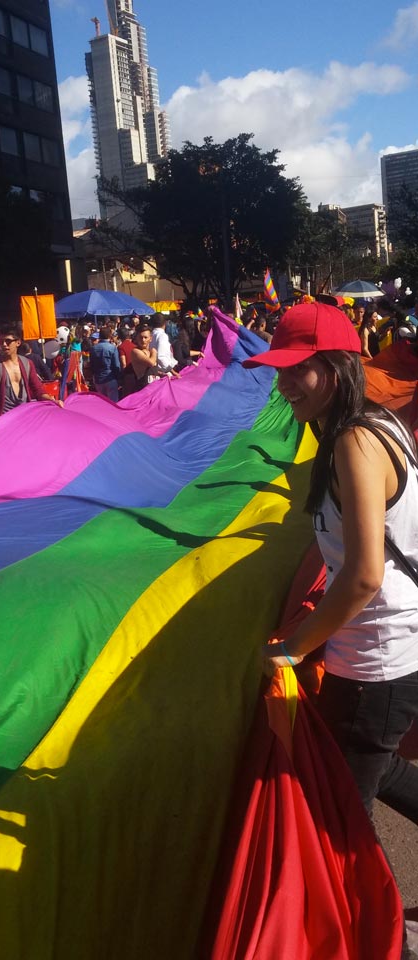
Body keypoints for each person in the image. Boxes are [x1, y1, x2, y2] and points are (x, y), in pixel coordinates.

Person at [243, 302, 418, 838]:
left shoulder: (354, 441)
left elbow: (363, 573)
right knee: (375, 762)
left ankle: (379, 923)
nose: (285, 384)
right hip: (386, 649)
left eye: (300, 368)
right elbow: (340, 547)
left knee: (340, 821)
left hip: (374, 661)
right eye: (280, 370)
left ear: (340, 365)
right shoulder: (374, 422)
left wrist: (293, 647)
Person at [0, 326, 60, 419]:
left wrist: (52, 400)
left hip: (25, 418)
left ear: (18, 342)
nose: (4, 344)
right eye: (1, 341)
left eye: (8, 341)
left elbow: (38, 390)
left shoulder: (27, 363)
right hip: (5, 420)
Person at [89, 325, 121, 402]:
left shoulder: (93, 348)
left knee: (102, 404)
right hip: (110, 378)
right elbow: (116, 365)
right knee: (113, 404)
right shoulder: (112, 348)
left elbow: (92, 364)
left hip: (98, 379)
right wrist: (118, 378)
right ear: (110, 336)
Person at [150, 313, 180, 378]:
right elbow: (161, 356)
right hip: (165, 372)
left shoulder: (151, 334)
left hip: (156, 370)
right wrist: (173, 372)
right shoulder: (162, 336)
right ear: (165, 323)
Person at [130, 325, 158, 391]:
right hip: (143, 389)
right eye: (140, 337)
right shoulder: (136, 351)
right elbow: (151, 363)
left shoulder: (149, 352)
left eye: (145, 337)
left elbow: (152, 370)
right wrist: (154, 352)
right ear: (137, 338)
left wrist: (163, 374)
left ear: (150, 338)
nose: (143, 340)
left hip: (154, 387)